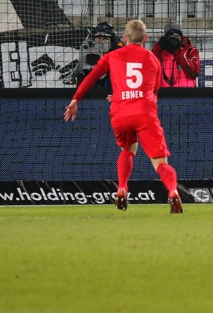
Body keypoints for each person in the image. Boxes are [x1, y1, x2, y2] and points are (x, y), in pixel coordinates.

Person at [64, 20, 183, 214]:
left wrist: (75, 100)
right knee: (160, 162)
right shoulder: (153, 59)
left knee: (127, 149)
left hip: (120, 113)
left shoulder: (112, 56)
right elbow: (154, 90)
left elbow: (90, 78)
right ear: (145, 38)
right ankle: (172, 191)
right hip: (145, 113)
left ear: (124, 38)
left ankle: (121, 187)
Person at [151, 22, 200, 88]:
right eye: (171, 36)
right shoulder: (160, 52)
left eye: (177, 36)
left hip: (186, 94)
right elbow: (151, 70)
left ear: (181, 37)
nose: (174, 39)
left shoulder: (190, 51)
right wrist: (158, 47)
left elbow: (194, 73)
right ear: (166, 38)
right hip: (163, 94)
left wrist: (177, 51)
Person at [78, 22, 123, 87]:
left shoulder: (118, 51)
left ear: (112, 40)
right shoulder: (88, 50)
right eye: (98, 38)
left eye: (105, 39)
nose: (100, 41)